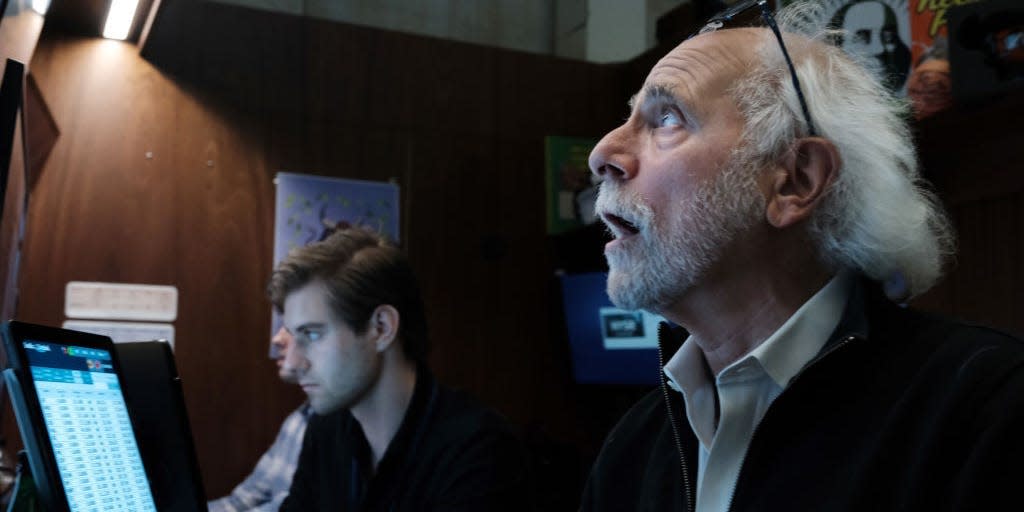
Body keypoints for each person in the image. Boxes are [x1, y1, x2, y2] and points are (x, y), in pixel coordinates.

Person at [580, 1, 1024, 511]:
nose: (602, 153)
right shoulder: (629, 450)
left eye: (666, 118)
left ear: (796, 180)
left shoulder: (987, 411)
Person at [268, 226, 527, 511]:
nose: (293, 364)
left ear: (381, 328)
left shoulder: (479, 449)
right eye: (294, 336)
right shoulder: (325, 429)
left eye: (312, 334)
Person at [208, 327, 313, 512]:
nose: (277, 339)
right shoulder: (298, 420)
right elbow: (241, 501)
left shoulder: (344, 431)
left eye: (293, 328)